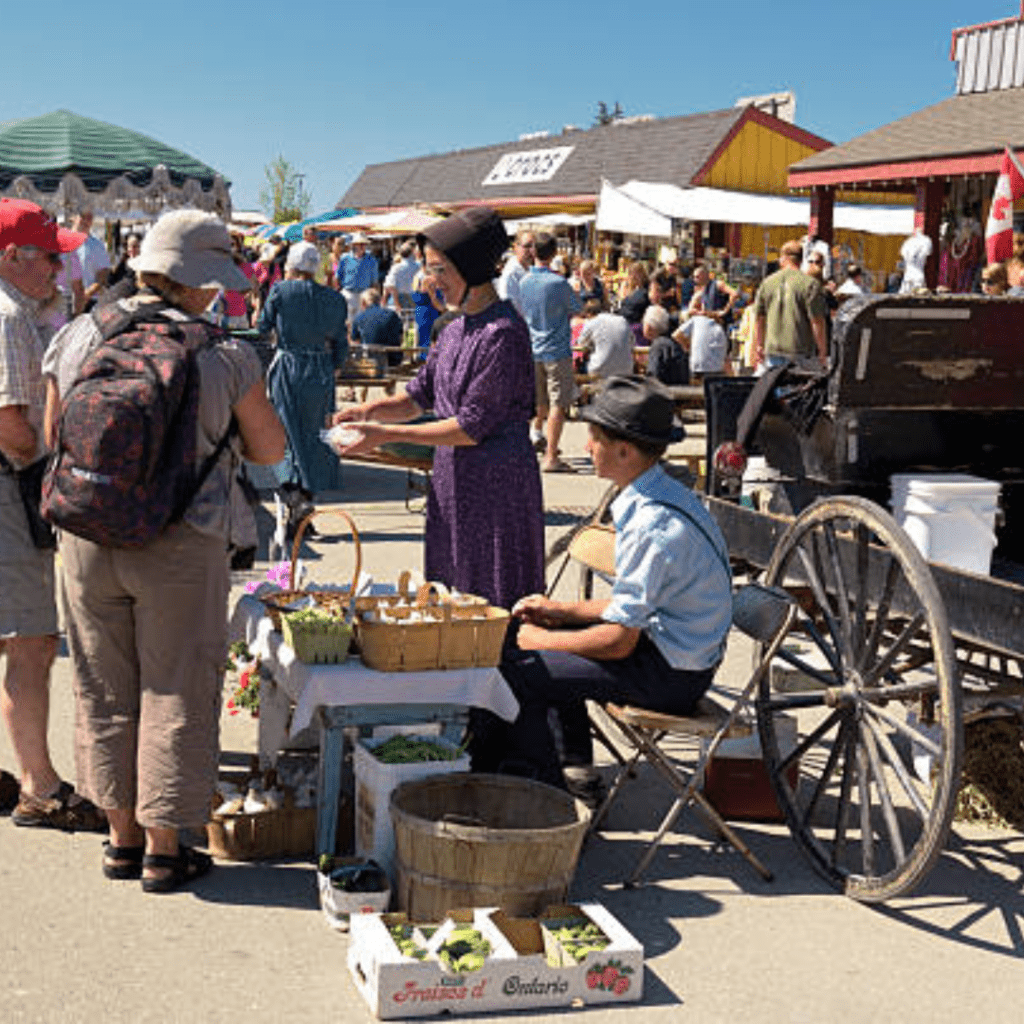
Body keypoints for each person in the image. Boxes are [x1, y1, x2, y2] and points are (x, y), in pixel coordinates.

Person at [43, 209, 286, 890]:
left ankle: (118, 841)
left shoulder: (82, 333)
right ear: (203, 282)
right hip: (183, 540)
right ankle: (163, 849)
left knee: (101, 685)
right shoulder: (225, 353)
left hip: (87, 534)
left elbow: (56, 433)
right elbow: (269, 451)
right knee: (176, 688)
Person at [477, 376, 731, 789]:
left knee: (516, 668)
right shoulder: (660, 492)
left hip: (672, 674)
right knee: (535, 633)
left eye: (593, 439)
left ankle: (545, 791)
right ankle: (575, 764)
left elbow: (618, 641)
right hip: (671, 649)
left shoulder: (653, 523)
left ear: (624, 451)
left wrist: (540, 640)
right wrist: (559, 612)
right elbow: (633, 606)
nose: (586, 448)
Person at [331, 206, 544, 610]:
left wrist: (386, 435)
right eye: (430, 269)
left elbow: (470, 427)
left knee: (490, 596)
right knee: (451, 589)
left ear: (473, 268)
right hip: (453, 480)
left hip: (496, 485)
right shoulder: (454, 328)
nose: (431, 281)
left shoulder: (503, 334)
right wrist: (368, 413)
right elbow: (417, 396)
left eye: (440, 270)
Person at [0, 198, 106, 831]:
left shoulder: (26, 310)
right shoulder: (9, 316)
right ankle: (40, 787)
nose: (61, 270)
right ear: (12, 257)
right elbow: (12, 428)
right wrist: (59, 456)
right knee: (31, 641)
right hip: (12, 487)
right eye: (50, 257)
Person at [259, 240, 349, 506]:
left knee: (286, 434)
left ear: (291, 267)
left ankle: (293, 497)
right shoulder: (334, 298)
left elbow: (263, 325)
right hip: (321, 368)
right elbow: (341, 342)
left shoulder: (280, 291)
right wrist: (332, 366)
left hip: (288, 366)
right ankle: (309, 497)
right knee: (317, 436)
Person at [518, 231, 582, 472]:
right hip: (556, 349)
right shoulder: (558, 283)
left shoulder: (524, 282)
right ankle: (551, 455)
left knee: (538, 403)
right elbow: (578, 309)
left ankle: (528, 447)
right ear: (554, 253)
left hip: (533, 347)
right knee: (558, 404)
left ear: (533, 252)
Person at [751, 239, 828, 372]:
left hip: (773, 350)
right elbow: (817, 321)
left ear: (783, 258)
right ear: (801, 259)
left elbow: (759, 317)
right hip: (800, 351)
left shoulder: (767, 283)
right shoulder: (810, 284)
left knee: (774, 389)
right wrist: (822, 351)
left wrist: (759, 345)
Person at [577, 299, 633, 379]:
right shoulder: (622, 320)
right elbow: (632, 342)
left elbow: (581, 343)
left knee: (580, 367)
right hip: (626, 370)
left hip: (600, 371)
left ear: (588, 314)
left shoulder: (591, 322)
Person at [351, 286, 404, 368]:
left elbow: (356, 341)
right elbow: (401, 337)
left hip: (369, 360)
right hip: (392, 359)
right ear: (380, 300)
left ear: (363, 302)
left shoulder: (359, 317)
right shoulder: (392, 314)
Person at [337, 233, 378, 329]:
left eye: (364, 244)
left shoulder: (371, 260)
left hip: (364, 294)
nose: (362, 246)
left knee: (363, 322)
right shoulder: (344, 258)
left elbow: (374, 281)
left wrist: (374, 297)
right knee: (346, 321)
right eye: (360, 244)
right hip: (348, 292)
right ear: (354, 245)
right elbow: (338, 277)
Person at [673, 309, 728, 380]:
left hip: (698, 366)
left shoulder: (696, 320)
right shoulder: (719, 328)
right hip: (716, 368)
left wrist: (688, 347)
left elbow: (676, 335)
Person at [72, 209, 111, 306]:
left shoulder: (97, 245)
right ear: (73, 217)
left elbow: (103, 276)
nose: (86, 221)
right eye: (83, 216)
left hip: (89, 301)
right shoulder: (60, 241)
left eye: (89, 218)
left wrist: (85, 295)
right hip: (62, 301)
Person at [411, 249, 445, 354]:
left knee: (423, 337)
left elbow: (415, 293)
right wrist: (442, 309)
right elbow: (433, 298)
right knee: (429, 338)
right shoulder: (428, 279)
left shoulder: (417, 276)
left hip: (421, 311)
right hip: (429, 312)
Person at [644, 304, 688, 385]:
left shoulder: (658, 346)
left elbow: (653, 376)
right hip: (681, 393)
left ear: (648, 327)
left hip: (667, 393)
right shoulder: (675, 343)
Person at [496, 229, 534, 315]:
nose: (531, 250)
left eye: (533, 246)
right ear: (515, 247)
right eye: (527, 246)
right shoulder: (511, 274)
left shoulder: (529, 270)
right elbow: (507, 307)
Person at [383, 240, 420, 313]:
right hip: (413, 299)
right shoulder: (418, 266)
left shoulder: (396, 268)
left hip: (397, 300)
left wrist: (395, 303)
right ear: (413, 252)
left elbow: (390, 286)